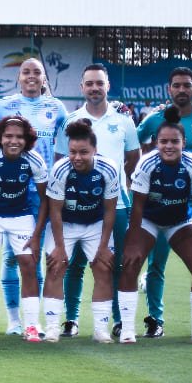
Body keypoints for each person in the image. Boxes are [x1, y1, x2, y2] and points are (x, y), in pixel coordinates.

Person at [136, 66, 192, 337]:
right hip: (161, 203)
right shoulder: (154, 120)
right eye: (177, 85)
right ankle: (155, 320)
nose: (182, 90)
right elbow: (130, 145)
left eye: (187, 85)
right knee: (156, 264)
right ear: (168, 89)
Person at [55, 64, 139, 338]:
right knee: (75, 263)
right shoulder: (70, 121)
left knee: (111, 262)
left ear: (107, 86)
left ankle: (116, 319)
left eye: (99, 83)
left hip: (118, 204)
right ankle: (71, 319)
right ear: (82, 88)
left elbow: (133, 161)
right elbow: (60, 162)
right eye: (89, 83)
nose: (94, 88)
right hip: (77, 205)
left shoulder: (124, 120)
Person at [118, 107, 192, 345]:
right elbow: (137, 206)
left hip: (180, 221)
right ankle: (128, 329)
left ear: (184, 142)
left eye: (174, 141)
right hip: (148, 219)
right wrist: (131, 244)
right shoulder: (147, 164)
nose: (169, 146)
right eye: (163, 141)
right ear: (155, 143)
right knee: (130, 263)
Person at [0, 57, 65, 335]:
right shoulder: (1, 107)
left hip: (40, 194)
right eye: (26, 72)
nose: (31, 77)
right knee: (9, 258)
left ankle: (33, 320)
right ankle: (13, 321)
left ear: (45, 79)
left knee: (32, 256)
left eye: (37, 72)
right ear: (18, 77)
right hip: (9, 192)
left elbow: (62, 151)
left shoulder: (57, 108)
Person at [0, 115, 49, 342]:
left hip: (20, 216)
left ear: (27, 139)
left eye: (19, 137)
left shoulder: (34, 160)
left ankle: (31, 326)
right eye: (8, 136)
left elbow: (45, 200)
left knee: (28, 265)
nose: (14, 141)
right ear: (0, 138)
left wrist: (35, 236)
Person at [42, 119, 120, 343]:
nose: (77, 157)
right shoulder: (60, 170)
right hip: (65, 224)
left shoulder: (108, 169)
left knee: (104, 268)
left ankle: (101, 330)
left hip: (95, 224)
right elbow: (54, 211)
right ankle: (52, 328)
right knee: (55, 267)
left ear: (95, 150)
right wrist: (58, 247)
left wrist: (104, 247)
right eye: (73, 152)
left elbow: (109, 210)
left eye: (83, 152)